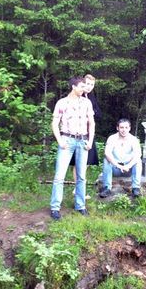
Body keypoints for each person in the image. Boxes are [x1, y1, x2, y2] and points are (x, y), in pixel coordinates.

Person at [50, 76, 95, 220]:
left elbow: (91, 123)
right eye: (81, 87)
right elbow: (54, 123)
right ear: (73, 87)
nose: (84, 89)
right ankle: (55, 207)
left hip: (83, 141)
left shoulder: (87, 102)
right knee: (59, 176)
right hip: (67, 140)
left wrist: (90, 141)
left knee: (82, 176)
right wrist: (60, 140)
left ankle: (80, 205)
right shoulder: (62, 103)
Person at [70, 74, 101, 197]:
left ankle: (78, 187)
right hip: (77, 134)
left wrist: (92, 112)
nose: (89, 87)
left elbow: (99, 114)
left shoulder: (91, 97)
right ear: (82, 83)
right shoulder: (77, 96)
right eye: (87, 84)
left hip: (89, 134)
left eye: (92, 85)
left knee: (87, 161)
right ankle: (77, 189)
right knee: (77, 163)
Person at [99, 118, 142, 198]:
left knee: (138, 161)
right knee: (106, 160)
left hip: (128, 168)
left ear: (129, 128)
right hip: (115, 167)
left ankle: (136, 188)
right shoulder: (112, 138)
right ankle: (106, 188)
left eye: (126, 127)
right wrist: (119, 166)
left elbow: (138, 154)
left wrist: (128, 166)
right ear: (117, 128)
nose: (124, 130)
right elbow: (107, 153)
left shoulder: (134, 139)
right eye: (121, 127)